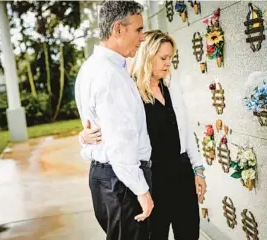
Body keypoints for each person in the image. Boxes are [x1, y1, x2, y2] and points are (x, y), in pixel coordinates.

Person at [80, 30, 207, 240]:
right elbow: (112, 133)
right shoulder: (130, 91)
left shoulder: (171, 86)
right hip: (152, 180)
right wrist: (84, 137)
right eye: (163, 58)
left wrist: (198, 168)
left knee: (189, 234)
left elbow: (185, 129)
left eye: (171, 58)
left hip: (182, 174)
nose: (168, 64)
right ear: (147, 55)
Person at [74, 1, 154, 240]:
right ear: (118, 29)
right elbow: (119, 142)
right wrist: (141, 190)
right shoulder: (109, 76)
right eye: (138, 30)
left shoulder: (94, 68)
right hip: (120, 182)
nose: (142, 38)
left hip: (108, 179)